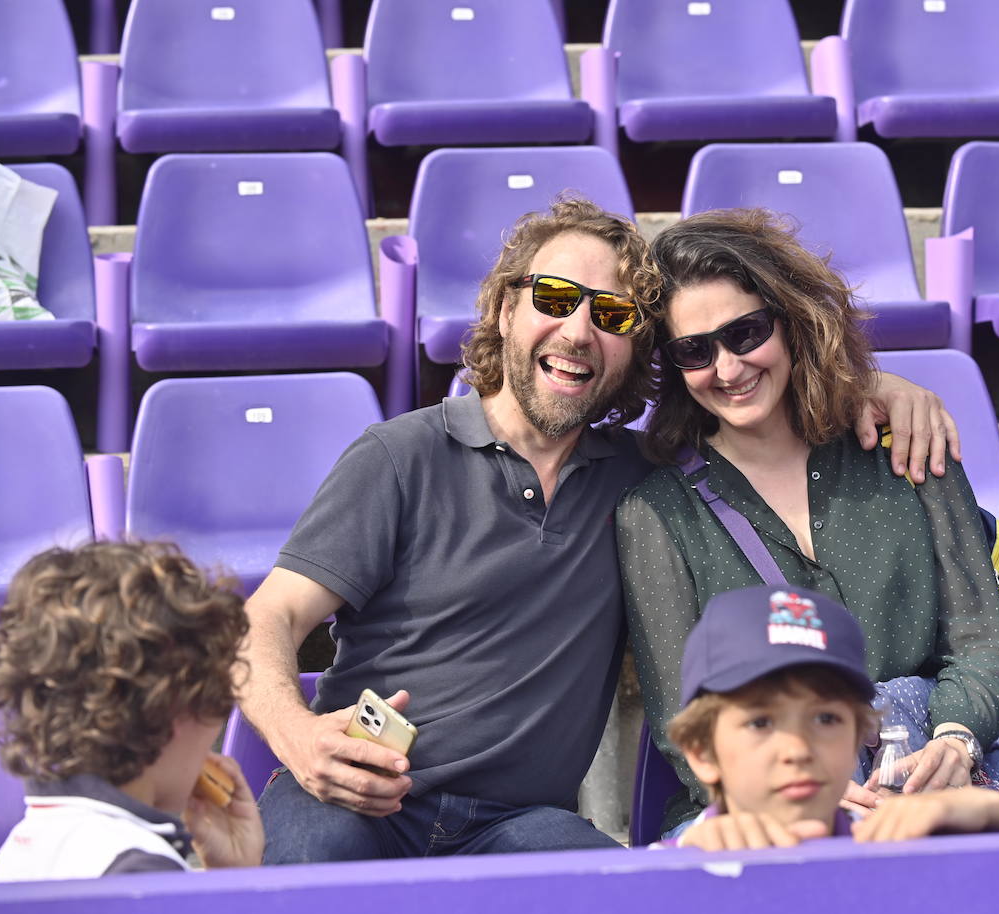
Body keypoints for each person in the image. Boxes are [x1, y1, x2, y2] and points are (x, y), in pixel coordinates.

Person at [237, 196, 961, 863]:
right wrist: (299, 736)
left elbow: (757, 402)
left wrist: (875, 385)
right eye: (553, 298)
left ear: (634, 350)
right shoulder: (399, 456)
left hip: (516, 826)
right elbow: (264, 617)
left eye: (612, 316)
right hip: (357, 800)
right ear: (503, 311)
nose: (579, 331)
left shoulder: (643, 480)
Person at [617, 209, 999, 839]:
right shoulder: (655, 513)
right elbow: (681, 713)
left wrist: (955, 742)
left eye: (746, 333)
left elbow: (981, 648)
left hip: (936, 775)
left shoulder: (905, 447)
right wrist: (812, 792)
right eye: (695, 350)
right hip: (770, 801)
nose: (727, 369)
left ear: (792, 319)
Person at [659, 586, 999, 852]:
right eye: (760, 723)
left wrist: (991, 811)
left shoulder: (890, 841)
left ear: (859, 737)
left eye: (826, 719)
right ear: (702, 752)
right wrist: (687, 872)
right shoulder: (671, 865)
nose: (797, 749)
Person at [0, 542, 261, 881]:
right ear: (180, 712)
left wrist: (231, 876)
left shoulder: (23, 844)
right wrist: (243, 885)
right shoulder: (141, 874)